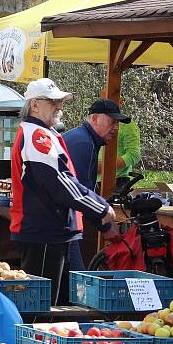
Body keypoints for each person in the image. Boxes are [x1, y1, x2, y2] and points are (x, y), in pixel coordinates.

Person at [10, 78, 117, 306]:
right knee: (41, 308)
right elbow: (60, 183)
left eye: (60, 101)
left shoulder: (42, 133)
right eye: (53, 101)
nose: (59, 106)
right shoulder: (37, 136)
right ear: (35, 105)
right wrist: (100, 207)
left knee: (58, 306)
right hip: (44, 231)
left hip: (52, 230)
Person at [63, 99, 131, 271]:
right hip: (59, 224)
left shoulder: (83, 138)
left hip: (61, 222)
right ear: (94, 118)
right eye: (111, 121)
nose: (116, 127)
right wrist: (106, 226)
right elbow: (80, 192)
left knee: (66, 286)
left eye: (117, 123)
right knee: (75, 285)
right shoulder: (83, 144)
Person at [98, 119, 142, 188]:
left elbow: (134, 154)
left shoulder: (127, 125)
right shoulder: (95, 125)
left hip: (117, 182)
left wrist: (105, 167)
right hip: (92, 181)